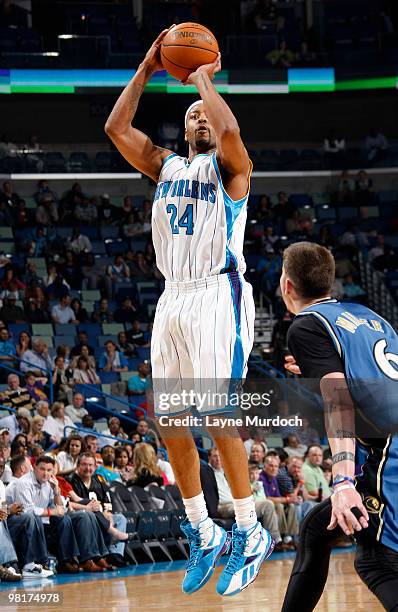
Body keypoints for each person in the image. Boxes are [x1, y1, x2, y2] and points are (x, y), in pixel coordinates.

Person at [105, 26, 273, 596]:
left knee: (218, 413)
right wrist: (150, 66)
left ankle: (249, 529)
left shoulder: (232, 173)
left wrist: (201, 74)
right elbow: (115, 128)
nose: (201, 119)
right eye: (192, 116)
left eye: (206, 113)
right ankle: (204, 529)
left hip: (217, 293)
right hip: (172, 297)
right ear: (180, 130)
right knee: (171, 422)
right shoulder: (167, 167)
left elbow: (230, 131)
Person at [280, 241, 398, 611]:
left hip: (386, 459)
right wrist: (325, 370)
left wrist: (343, 481)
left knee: (376, 560)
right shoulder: (369, 316)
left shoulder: (306, 325)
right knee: (317, 531)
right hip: (386, 449)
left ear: (286, 286)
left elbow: (339, 401)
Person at [208, 448, 282, 551]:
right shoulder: (206, 472)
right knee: (245, 508)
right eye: (215, 456)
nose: (218, 459)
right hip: (224, 506)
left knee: (268, 504)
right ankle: (252, 545)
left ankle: (274, 541)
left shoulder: (226, 471)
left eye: (220, 456)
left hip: (237, 502)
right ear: (209, 458)